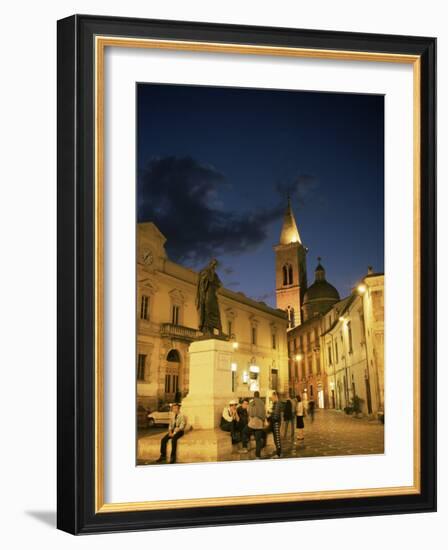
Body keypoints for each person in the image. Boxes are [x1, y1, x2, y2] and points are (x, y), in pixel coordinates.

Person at [248, 391, 266, 459]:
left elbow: (249, 412)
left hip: (252, 424)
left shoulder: (251, 402)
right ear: (259, 396)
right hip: (259, 424)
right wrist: (263, 421)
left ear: (254, 395)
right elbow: (263, 413)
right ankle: (257, 455)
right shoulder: (262, 403)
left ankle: (245, 446)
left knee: (253, 437)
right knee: (258, 441)